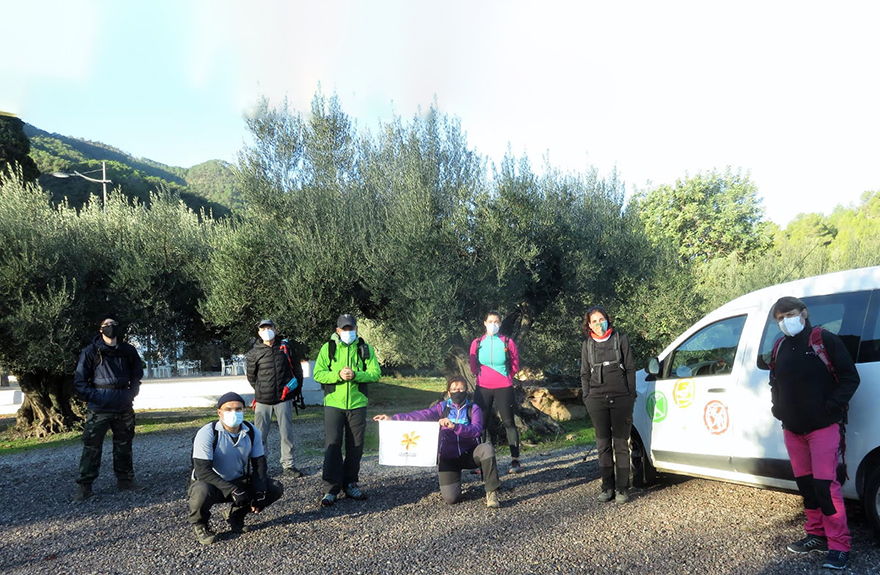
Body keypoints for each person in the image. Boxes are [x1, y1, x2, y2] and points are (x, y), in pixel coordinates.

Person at [769, 296, 860, 571]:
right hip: (792, 430)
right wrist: (777, 407)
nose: (786, 321)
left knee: (825, 487)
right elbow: (774, 380)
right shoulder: (780, 346)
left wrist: (830, 407)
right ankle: (816, 534)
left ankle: (839, 545)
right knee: (807, 486)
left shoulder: (824, 341)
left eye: (791, 314)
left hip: (822, 428)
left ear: (804, 313)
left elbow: (850, 378)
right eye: (780, 318)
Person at [374, 375, 502, 508]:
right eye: (454, 389)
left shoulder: (473, 408)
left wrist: (455, 426)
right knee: (451, 499)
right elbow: (421, 415)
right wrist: (394, 419)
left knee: (487, 449)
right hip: (447, 457)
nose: (457, 392)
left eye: (460, 389)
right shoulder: (442, 408)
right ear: (448, 393)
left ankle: (491, 492)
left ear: (466, 391)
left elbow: (476, 430)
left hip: (469, 453)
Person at [189, 392, 284, 545]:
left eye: (238, 409)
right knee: (201, 492)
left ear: (244, 411)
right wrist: (232, 490)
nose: (234, 413)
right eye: (228, 409)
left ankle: (236, 515)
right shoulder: (207, 433)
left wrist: (260, 491)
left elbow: (259, 464)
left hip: (237, 481)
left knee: (274, 487)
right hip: (211, 483)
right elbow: (202, 471)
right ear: (219, 412)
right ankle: (201, 525)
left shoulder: (252, 432)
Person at [73, 314, 145, 502]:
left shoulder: (128, 351)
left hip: (123, 405)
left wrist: (131, 393)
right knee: (92, 446)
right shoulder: (90, 352)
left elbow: (137, 374)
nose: (110, 327)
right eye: (106, 324)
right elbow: (80, 381)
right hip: (99, 407)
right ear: (100, 329)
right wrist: (94, 397)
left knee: (124, 445)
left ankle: (126, 481)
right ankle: (85, 486)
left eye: (113, 324)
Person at [313, 313, 381, 506]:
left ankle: (350, 484)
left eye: (351, 328)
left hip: (358, 404)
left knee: (355, 446)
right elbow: (318, 373)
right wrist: (339, 375)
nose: (348, 331)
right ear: (338, 330)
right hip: (334, 403)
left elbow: (375, 373)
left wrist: (356, 375)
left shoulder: (365, 348)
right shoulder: (328, 348)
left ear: (356, 329)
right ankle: (330, 489)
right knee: (332, 446)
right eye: (345, 329)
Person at [580, 306, 636, 504]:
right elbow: (584, 374)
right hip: (596, 400)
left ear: (608, 320)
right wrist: (587, 398)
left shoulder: (620, 339)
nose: (598, 324)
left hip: (621, 399)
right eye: (594, 321)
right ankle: (607, 487)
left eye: (601, 319)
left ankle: (622, 488)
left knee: (621, 444)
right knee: (603, 445)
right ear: (589, 325)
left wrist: (631, 395)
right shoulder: (587, 345)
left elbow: (630, 368)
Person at [246, 319, 305, 478]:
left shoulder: (286, 348)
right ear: (259, 333)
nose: (266, 331)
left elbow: (297, 371)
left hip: (283, 400)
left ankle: (288, 465)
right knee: (259, 436)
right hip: (262, 401)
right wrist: (261, 391)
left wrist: (293, 391)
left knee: (286, 434)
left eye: (269, 327)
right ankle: (260, 468)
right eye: (263, 328)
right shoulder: (253, 353)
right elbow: (251, 377)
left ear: (275, 329)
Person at [469, 311, 522, 474]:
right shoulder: (477, 343)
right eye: (490, 321)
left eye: (497, 321)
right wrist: (484, 378)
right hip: (482, 388)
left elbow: (515, 364)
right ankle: (482, 463)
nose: (493, 324)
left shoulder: (508, 341)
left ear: (500, 324)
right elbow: (473, 365)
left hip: (504, 387)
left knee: (508, 423)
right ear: (484, 323)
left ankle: (515, 461)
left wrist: (505, 378)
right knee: (481, 425)